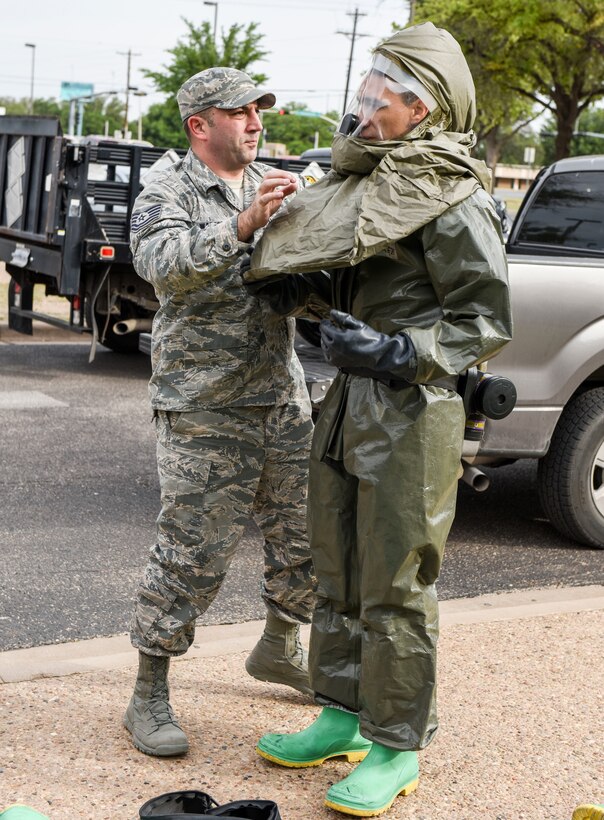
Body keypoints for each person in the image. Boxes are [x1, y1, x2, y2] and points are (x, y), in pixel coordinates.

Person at [248, 22, 514, 817]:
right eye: (363, 91)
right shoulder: (368, 182)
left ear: (421, 108)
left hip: (412, 407)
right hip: (348, 402)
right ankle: (339, 714)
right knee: (338, 563)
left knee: (396, 583)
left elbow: (484, 318)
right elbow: (342, 274)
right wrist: (291, 277)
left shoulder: (453, 194)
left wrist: (397, 350)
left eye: (378, 96)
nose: (361, 107)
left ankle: (395, 744)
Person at [124, 67, 316, 758]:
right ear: (200, 125)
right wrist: (242, 225)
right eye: (241, 111)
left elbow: (295, 282)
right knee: (192, 552)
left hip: (281, 394)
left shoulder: (271, 178)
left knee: (306, 536)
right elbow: (162, 264)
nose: (257, 121)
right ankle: (148, 691)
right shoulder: (168, 187)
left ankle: (281, 647)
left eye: (260, 109)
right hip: (206, 403)